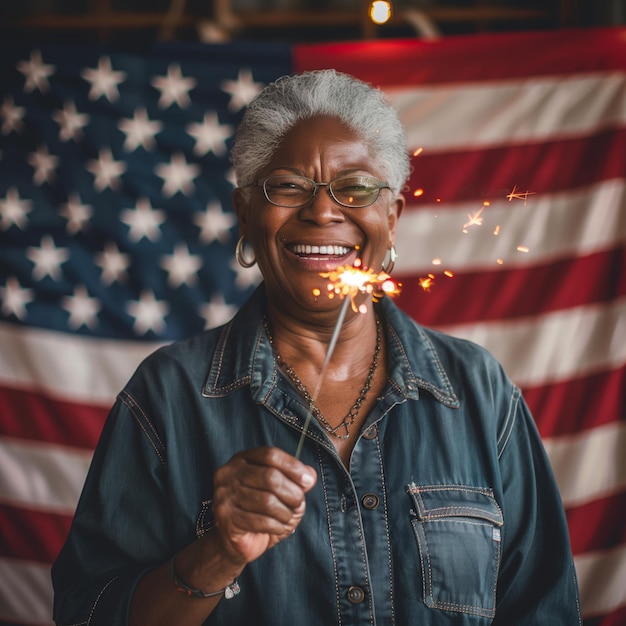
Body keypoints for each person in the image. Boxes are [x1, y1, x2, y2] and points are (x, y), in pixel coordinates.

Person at [52, 69, 581, 625]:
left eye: (354, 188)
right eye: (288, 186)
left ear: (392, 219)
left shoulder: (480, 391)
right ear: (245, 215)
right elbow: (86, 614)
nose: (323, 212)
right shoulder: (166, 397)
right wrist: (217, 555)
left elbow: (545, 609)